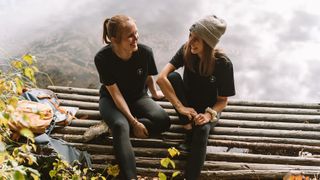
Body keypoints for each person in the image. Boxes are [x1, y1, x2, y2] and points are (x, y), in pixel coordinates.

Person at [157, 15, 235, 179]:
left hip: (209, 109)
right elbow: (161, 78)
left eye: (197, 39)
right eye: (190, 35)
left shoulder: (223, 64)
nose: (191, 42)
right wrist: (181, 108)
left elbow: (222, 101)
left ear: (208, 42)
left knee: (202, 131)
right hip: (187, 105)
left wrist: (208, 115)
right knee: (172, 78)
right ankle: (187, 127)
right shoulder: (186, 49)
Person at [94, 15, 171, 180]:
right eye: (130, 35)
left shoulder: (145, 52)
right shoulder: (102, 58)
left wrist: (155, 93)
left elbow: (148, 76)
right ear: (114, 39)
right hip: (111, 101)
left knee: (164, 120)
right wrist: (133, 121)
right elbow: (115, 94)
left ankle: (124, 131)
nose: (136, 38)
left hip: (138, 97)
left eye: (136, 32)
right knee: (121, 126)